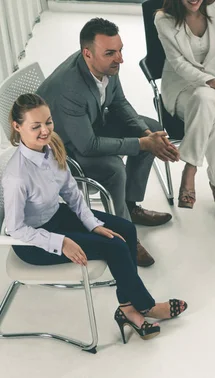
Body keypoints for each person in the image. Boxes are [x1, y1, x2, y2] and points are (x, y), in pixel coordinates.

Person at [2, 94, 188, 343]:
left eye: (48, 122)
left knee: (126, 230)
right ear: (17, 126)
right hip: (35, 242)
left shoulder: (52, 146)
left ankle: (127, 307)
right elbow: (14, 228)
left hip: (57, 216)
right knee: (116, 246)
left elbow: (71, 193)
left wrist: (92, 224)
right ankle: (146, 306)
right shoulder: (16, 176)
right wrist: (61, 243)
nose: (45, 131)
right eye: (36, 126)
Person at [37, 18, 180, 267]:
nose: (120, 59)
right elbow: (88, 146)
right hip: (63, 148)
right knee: (114, 169)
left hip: (91, 124)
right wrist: (142, 144)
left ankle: (129, 205)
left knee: (153, 130)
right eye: (111, 53)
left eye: (120, 50)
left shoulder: (106, 65)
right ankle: (123, 235)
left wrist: (146, 134)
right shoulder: (69, 88)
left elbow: (119, 103)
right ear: (87, 54)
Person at [155, 0, 215, 218]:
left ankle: (190, 168)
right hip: (181, 87)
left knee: (206, 98)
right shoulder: (163, 20)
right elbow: (179, 64)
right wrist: (212, 82)